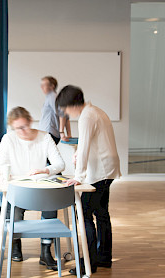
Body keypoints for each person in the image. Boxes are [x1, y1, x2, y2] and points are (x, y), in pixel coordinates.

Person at [55, 85, 121, 275]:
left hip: (100, 172)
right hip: (107, 169)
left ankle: (88, 264)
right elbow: (92, 144)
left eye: (66, 109)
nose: (66, 113)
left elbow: (83, 147)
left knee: (84, 214)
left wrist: (78, 177)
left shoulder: (87, 116)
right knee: (101, 214)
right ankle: (104, 258)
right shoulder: (96, 111)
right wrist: (80, 161)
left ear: (71, 104)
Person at [0, 106, 65, 270]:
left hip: (40, 186)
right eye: (18, 128)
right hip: (18, 188)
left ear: (30, 122)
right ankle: (15, 245)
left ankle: (46, 252)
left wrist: (45, 170)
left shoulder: (44, 137)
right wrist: (3, 173)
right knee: (14, 211)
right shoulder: (8, 139)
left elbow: (60, 163)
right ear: (12, 127)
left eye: (25, 126)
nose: (23, 131)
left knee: (50, 209)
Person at [39, 76, 72, 143]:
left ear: (52, 86)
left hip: (49, 133)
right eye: (41, 85)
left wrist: (62, 132)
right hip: (48, 133)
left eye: (44, 85)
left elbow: (63, 114)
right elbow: (66, 116)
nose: (41, 87)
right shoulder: (50, 97)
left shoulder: (52, 96)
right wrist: (69, 134)